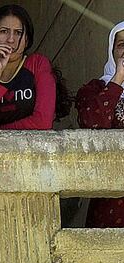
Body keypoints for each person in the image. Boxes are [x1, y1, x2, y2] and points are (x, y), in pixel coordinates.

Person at [0, 4, 71, 130]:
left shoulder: (37, 64)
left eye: (18, 33)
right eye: (4, 31)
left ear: (27, 40)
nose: (11, 39)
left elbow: (42, 122)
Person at [76, 21, 124, 228]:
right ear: (111, 50)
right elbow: (93, 123)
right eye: (121, 45)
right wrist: (118, 79)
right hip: (111, 201)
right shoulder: (94, 89)